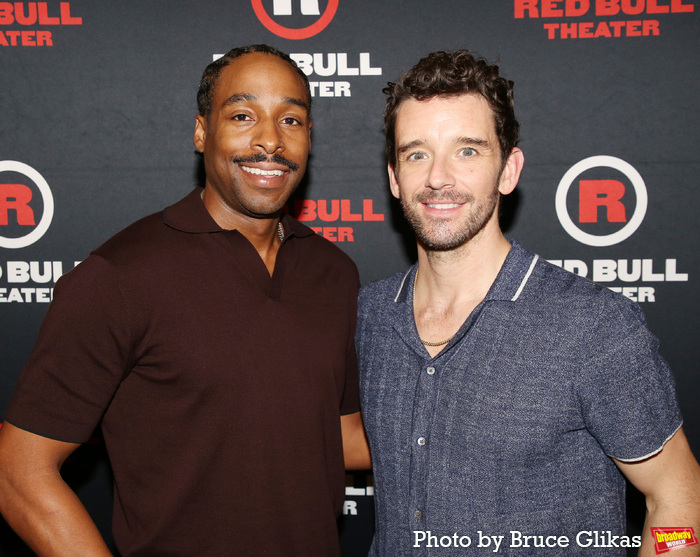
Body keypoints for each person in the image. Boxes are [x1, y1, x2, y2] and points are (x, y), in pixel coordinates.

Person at [0, 44, 369, 556]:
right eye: (242, 116)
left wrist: (462, 430)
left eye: (291, 120)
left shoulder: (334, 273)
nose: (270, 139)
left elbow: (340, 435)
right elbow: (16, 470)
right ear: (201, 132)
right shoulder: (120, 275)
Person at [356, 50, 700, 556]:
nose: (438, 178)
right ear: (393, 177)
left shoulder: (592, 326)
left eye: (467, 151)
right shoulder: (369, 315)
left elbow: (677, 496)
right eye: (416, 154)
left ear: (508, 170)